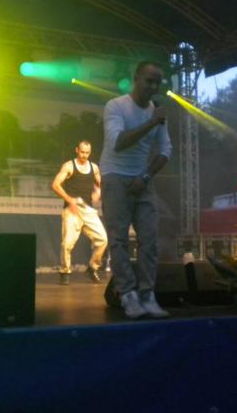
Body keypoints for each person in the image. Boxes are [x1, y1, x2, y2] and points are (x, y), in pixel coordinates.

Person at [99, 61, 172, 319]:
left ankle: (147, 295)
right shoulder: (116, 106)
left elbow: (166, 150)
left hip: (142, 179)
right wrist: (152, 123)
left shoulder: (157, 114)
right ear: (136, 79)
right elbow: (118, 142)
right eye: (149, 81)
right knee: (118, 239)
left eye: (157, 82)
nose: (153, 86)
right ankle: (128, 294)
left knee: (149, 240)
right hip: (114, 176)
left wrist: (146, 175)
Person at [51, 141, 108, 286]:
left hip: (88, 210)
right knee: (67, 243)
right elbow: (55, 185)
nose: (84, 155)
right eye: (82, 152)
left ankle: (92, 268)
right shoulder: (69, 166)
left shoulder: (94, 167)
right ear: (77, 150)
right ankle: (65, 271)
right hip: (72, 210)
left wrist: (98, 192)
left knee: (103, 239)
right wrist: (69, 200)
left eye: (87, 153)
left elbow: (101, 184)